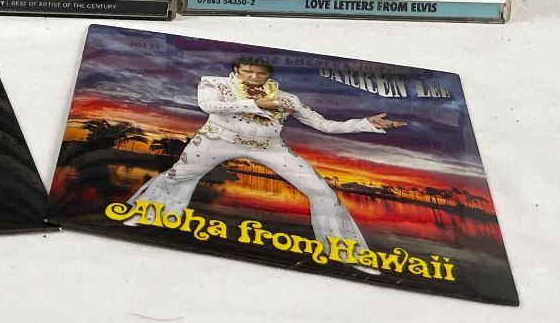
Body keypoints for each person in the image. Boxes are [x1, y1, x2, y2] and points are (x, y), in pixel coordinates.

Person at [125, 54, 404, 254]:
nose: (254, 77)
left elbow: (324, 125)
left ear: (269, 75)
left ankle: (345, 250)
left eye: (261, 73)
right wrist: (255, 104)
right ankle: (147, 217)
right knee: (177, 176)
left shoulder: (287, 99)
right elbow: (208, 106)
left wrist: (365, 123)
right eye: (248, 71)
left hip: (270, 146)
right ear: (237, 70)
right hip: (217, 139)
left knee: (321, 191)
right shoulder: (214, 84)